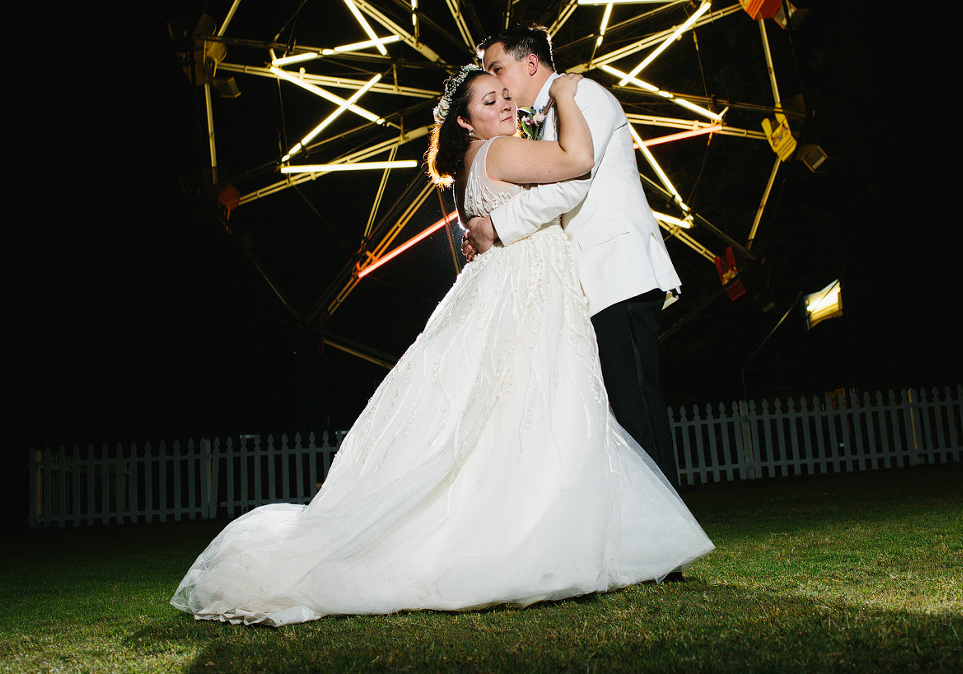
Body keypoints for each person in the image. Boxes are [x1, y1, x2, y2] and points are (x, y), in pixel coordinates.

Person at [169, 66, 713, 626]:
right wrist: (567, 94)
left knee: (511, 417)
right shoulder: (501, 151)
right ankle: (548, 540)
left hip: (517, 288)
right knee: (544, 410)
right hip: (529, 291)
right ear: (464, 119)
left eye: (505, 96)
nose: (504, 104)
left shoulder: (476, 164)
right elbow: (576, 169)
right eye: (489, 100)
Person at [465, 25, 683, 491]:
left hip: (616, 271)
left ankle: (669, 545)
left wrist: (494, 227)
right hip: (591, 280)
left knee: (638, 407)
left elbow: (572, 180)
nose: (498, 85)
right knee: (623, 413)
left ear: (530, 62)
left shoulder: (580, 94)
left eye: (498, 69)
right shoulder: (544, 118)